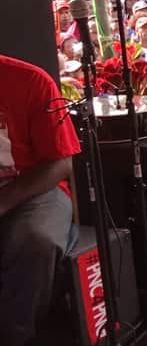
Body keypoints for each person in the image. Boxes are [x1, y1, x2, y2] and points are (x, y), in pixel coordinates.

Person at [0, 54, 81, 344]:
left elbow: (61, 163)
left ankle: (15, 336)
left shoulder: (30, 80)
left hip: (33, 191)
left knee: (36, 240)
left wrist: (4, 201)